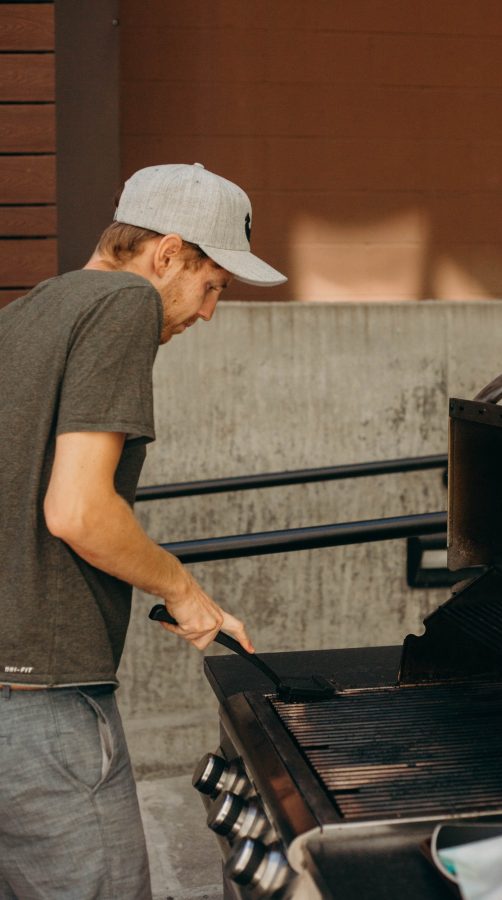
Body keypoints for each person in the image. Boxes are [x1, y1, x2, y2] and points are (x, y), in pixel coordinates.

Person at [0, 162, 286, 899]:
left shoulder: (28, 311)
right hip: (43, 699)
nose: (209, 311)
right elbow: (79, 511)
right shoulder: (124, 302)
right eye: (212, 284)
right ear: (166, 253)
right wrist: (185, 591)